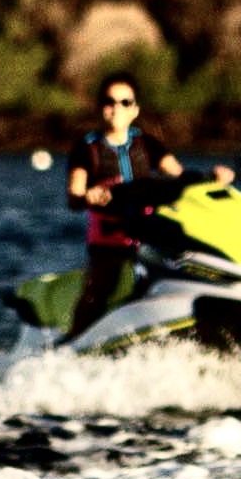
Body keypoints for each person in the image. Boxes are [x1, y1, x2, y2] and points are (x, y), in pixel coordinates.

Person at [62, 74, 183, 337]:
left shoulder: (147, 144)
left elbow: (179, 177)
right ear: (100, 107)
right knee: (100, 288)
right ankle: (74, 341)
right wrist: (88, 196)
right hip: (110, 239)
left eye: (125, 102)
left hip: (150, 233)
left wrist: (212, 179)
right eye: (110, 101)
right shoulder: (87, 149)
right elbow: (74, 196)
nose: (117, 108)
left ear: (135, 109)